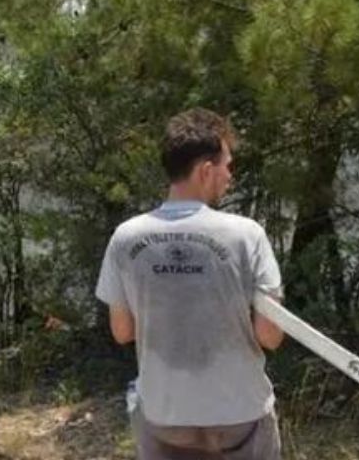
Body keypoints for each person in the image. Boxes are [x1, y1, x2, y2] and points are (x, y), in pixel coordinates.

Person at [95, 108, 285, 459]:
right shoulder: (247, 236)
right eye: (227, 165)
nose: (230, 176)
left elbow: (122, 331)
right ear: (205, 170)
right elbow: (270, 334)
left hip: (165, 418)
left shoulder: (126, 238)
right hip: (239, 415)